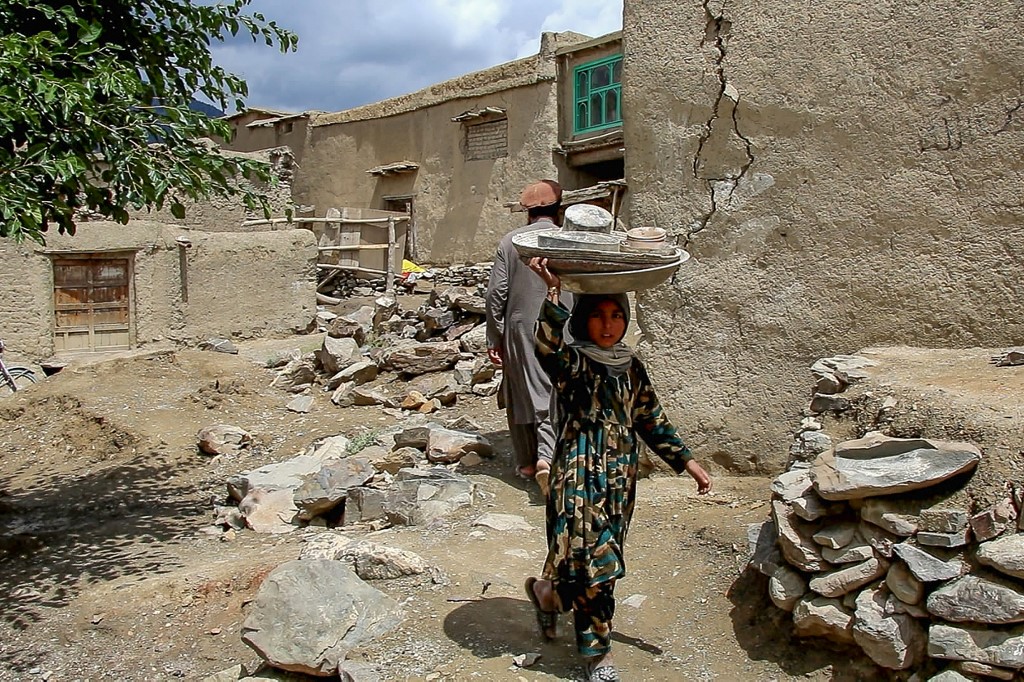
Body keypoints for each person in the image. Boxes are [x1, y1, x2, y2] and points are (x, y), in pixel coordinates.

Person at [523, 257, 713, 682]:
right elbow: (546, 350)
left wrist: (688, 462)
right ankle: (598, 654)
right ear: (583, 321)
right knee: (589, 557)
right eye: (598, 316)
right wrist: (553, 296)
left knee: (589, 558)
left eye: (616, 316)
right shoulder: (573, 364)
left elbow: (651, 419)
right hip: (576, 472)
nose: (608, 326)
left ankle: (546, 593)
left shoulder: (631, 367)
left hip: (618, 479)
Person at [485, 180, 573, 493]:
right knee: (552, 388)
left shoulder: (509, 242)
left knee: (522, 388)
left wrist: (494, 336)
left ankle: (533, 460)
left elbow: (497, 293)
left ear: (527, 213)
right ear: (559, 209)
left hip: (520, 327)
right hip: (564, 324)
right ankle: (547, 459)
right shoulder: (570, 238)